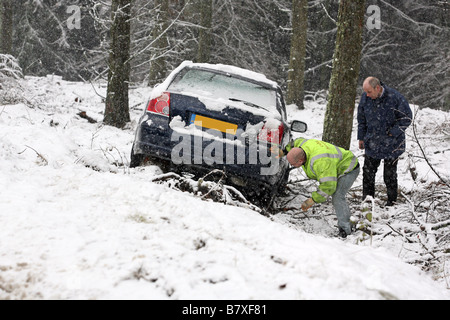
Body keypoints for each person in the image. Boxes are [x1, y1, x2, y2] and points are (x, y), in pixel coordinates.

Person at [280, 138, 360, 238]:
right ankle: (349, 222)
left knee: (337, 196)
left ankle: (345, 229)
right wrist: (283, 152)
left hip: (349, 168)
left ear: (300, 160)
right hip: (334, 165)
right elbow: (295, 142)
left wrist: (312, 200)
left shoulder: (320, 162)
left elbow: (328, 186)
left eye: (293, 164)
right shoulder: (302, 145)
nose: (292, 166)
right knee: (336, 194)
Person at [357, 77, 412, 206]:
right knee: (368, 174)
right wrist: (361, 137)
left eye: (369, 92)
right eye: (365, 92)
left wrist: (393, 132)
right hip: (372, 141)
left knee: (390, 175)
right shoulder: (366, 98)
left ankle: (391, 202)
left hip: (392, 143)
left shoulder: (395, 97)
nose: (367, 95)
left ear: (377, 88)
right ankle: (368, 201)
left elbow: (407, 118)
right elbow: (361, 118)